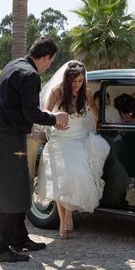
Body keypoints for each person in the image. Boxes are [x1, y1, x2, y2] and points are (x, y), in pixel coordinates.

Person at [0, 37, 69, 263]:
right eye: (50, 62)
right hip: (10, 138)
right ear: (45, 57)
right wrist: (56, 118)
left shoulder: (12, 66)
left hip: (4, 135)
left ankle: (19, 238)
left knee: (22, 187)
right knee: (13, 192)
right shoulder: (30, 75)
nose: (48, 66)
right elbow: (30, 113)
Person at [37, 61, 110, 238]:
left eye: (80, 81)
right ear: (67, 79)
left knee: (76, 174)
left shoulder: (86, 93)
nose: (77, 85)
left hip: (79, 139)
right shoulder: (57, 92)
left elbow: (94, 110)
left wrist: (100, 120)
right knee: (61, 180)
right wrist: (55, 118)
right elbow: (45, 110)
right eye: (74, 81)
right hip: (60, 138)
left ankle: (67, 215)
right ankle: (64, 220)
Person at [114, 93, 135, 205]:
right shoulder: (119, 122)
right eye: (132, 113)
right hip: (124, 149)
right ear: (123, 113)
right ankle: (120, 199)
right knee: (123, 174)